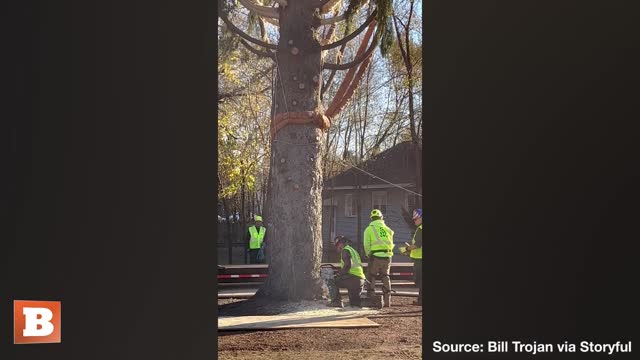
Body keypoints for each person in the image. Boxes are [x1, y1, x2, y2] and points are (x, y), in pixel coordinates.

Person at [363, 209, 395, 307]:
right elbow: (391, 243)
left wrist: (369, 254)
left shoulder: (369, 229)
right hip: (387, 257)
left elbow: (366, 245)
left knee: (371, 276)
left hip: (375, 257)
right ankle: (387, 301)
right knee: (385, 276)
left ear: (371, 219)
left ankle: (371, 298)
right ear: (381, 218)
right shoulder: (388, 230)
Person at [326, 236, 366, 308]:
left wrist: (338, 274)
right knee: (354, 303)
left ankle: (336, 302)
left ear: (340, 244)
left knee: (331, 281)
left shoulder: (345, 250)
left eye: (337, 246)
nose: (337, 248)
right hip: (360, 280)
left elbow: (347, 266)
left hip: (352, 279)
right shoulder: (353, 251)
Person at [405, 208, 423, 305]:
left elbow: (418, 244)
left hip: (420, 259)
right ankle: (420, 300)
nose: (414, 220)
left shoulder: (420, 229)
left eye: (416, 219)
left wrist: (407, 249)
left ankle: (421, 301)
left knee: (420, 280)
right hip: (419, 258)